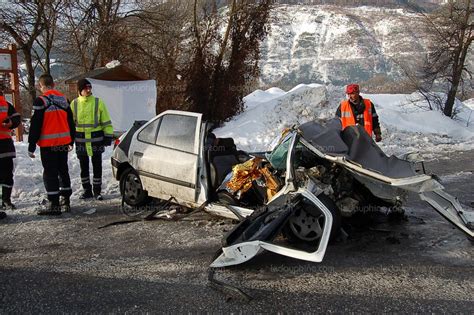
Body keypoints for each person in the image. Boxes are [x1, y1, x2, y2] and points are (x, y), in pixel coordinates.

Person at [28, 74, 75, 215]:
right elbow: (71, 122)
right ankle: (66, 200)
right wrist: (71, 140)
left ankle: (54, 205)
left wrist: (31, 144)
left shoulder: (40, 101)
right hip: (63, 143)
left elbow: (35, 125)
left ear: (40, 86)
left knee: (50, 173)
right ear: (53, 85)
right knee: (63, 170)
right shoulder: (64, 100)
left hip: (48, 145)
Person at [71, 79, 113, 200]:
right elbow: (70, 123)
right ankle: (87, 191)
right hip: (81, 141)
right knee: (83, 167)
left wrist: (108, 136)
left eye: (90, 88)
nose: (88, 90)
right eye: (85, 88)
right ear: (79, 90)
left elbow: (106, 121)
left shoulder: (98, 102)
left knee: (97, 166)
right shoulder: (74, 104)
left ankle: (97, 191)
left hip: (96, 139)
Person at [0, 82, 21, 219]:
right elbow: (16, 119)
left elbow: (16, 118)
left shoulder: (5, 104)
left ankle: (5, 200)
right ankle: (6, 200)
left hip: (5, 145)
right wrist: (10, 124)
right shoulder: (6, 105)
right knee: (7, 174)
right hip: (5, 145)